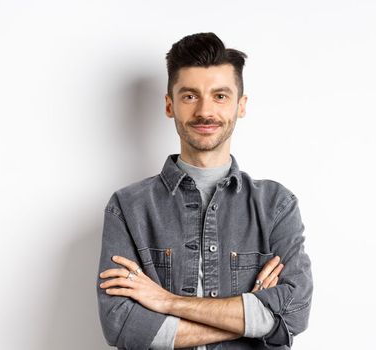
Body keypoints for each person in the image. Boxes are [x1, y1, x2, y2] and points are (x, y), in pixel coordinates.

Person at [96, 32, 313, 349]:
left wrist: (166, 302)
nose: (205, 111)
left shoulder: (277, 205)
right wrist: (255, 320)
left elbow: (295, 314)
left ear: (241, 105)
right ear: (170, 105)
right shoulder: (127, 208)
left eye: (220, 96)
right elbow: (122, 326)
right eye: (189, 96)